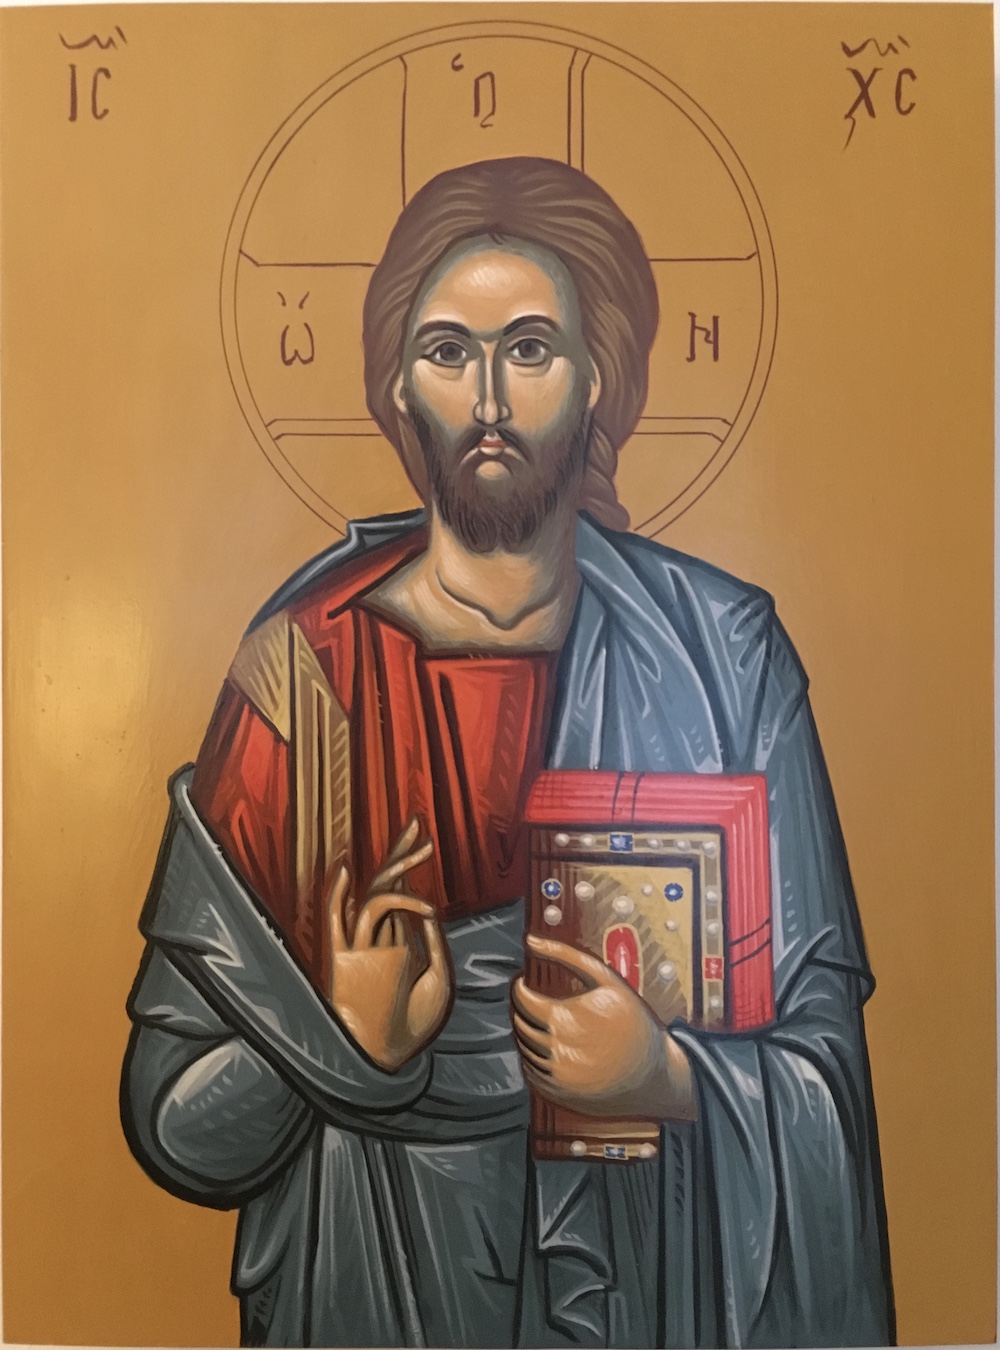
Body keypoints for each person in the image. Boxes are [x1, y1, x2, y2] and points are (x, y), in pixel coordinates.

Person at [122, 157, 894, 1348]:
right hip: (370, 1284)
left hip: (645, 1286)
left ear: (598, 376)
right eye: (448, 351)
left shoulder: (723, 659)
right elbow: (173, 1121)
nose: (487, 398)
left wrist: (668, 1079)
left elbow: (824, 1060)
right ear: (397, 385)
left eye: (529, 348)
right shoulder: (304, 678)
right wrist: (339, 1046)